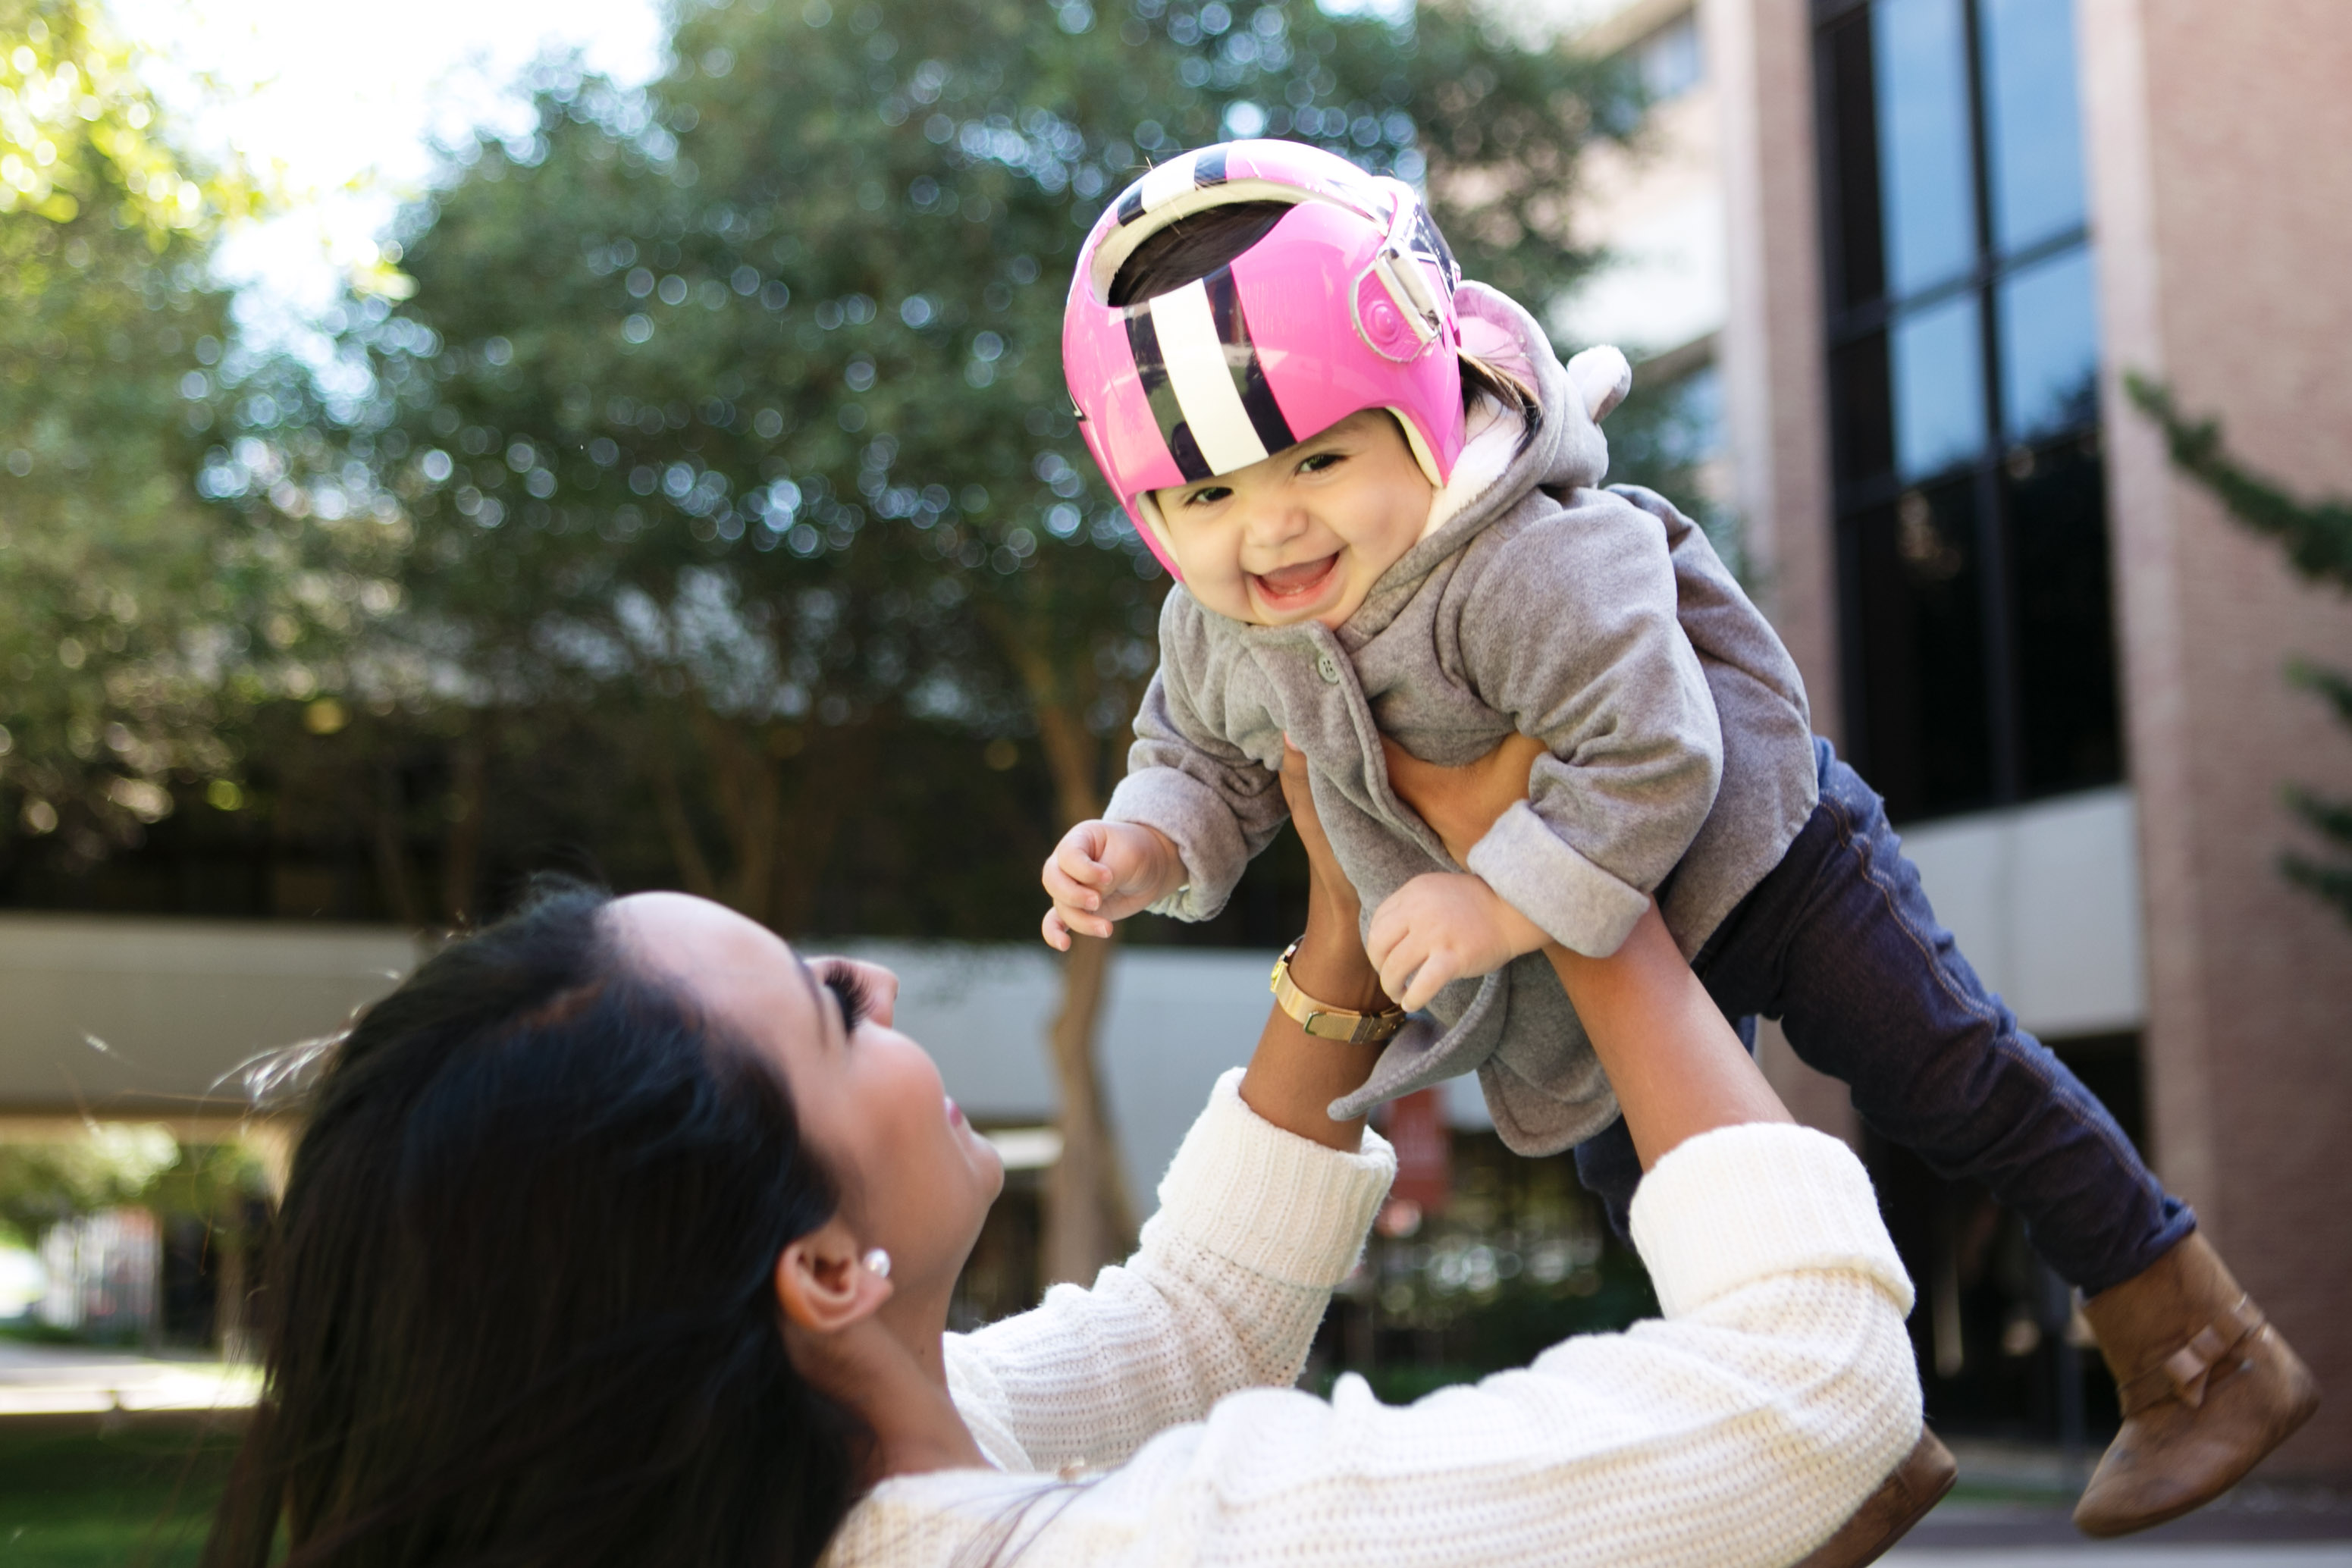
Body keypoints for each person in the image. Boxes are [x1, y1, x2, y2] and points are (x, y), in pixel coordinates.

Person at [1040, 139, 2316, 1537]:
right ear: (1145, 504)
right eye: (1204, 499)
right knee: (1666, 1200)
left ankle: (2198, 1349)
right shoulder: (1221, 629)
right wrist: (1146, 844)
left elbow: (1659, 750)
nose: (1267, 528)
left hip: (1764, 858)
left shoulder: (1524, 557)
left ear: (1418, 404)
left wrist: (1490, 904)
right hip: (1568, 970)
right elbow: (1196, 756)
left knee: (1952, 1073)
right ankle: (1835, 1462)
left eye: (1316, 460)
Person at [205, 741, 1928, 1568]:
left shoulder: (839, 1486)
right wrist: (1570, 883)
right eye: (825, 1005)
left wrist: (1336, 934)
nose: (874, 972)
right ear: (820, 1271)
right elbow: (1811, 1380)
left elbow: (1186, 1329)